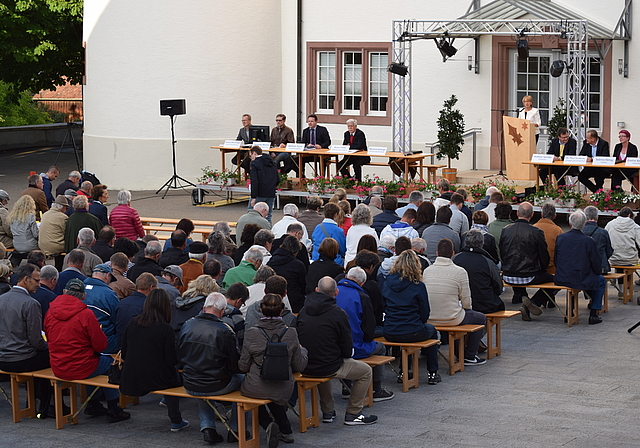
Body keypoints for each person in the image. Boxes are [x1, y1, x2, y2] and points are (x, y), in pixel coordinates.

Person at [44, 278, 130, 423]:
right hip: (81, 366)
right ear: (84, 296)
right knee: (111, 364)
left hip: (58, 365)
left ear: (65, 291)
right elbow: (101, 345)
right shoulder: (86, 314)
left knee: (92, 361)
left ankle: (94, 403)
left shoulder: (50, 312)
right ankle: (113, 408)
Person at [297, 276, 377, 425]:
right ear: (336, 292)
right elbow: (347, 346)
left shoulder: (303, 311)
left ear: (316, 290)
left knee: (322, 362)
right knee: (365, 371)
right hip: (329, 364)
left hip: (306, 364)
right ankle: (354, 412)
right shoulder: (338, 314)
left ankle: (328, 411)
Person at [239, 293, 307, 445]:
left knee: (258, 391)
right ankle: (286, 430)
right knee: (274, 392)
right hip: (283, 386)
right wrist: (303, 351)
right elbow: (299, 366)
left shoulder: (251, 333)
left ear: (261, 311)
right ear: (282, 311)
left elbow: (243, 366)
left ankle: (267, 424)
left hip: (255, 386)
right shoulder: (291, 333)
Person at [178, 292, 243, 444]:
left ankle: (208, 428)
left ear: (204, 307)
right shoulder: (225, 330)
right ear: (222, 311)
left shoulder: (188, 324)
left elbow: (180, 355)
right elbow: (235, 366)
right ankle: (236, 429)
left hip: (190, 381)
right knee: (245, 381)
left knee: (202, 378)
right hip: (216, 383)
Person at [120, 288, 187, 431]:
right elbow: (171, 360)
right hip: (157, 378)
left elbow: (124, 352)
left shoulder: (133, 323)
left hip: (132, 376)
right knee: (173, 375)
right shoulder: (166, 329)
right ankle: (175, 419)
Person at [381, 250, 440, 385]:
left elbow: (383, 306)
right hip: (413, 329)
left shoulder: (386, 283)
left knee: (407, 337)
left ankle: (404, 371)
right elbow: (425, 312)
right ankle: (432, 372)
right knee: (431, 331)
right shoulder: (418, 286)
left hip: (390, 330)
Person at [0, 264, 52, 418]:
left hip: (2, 357)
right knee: (51, 355)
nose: (39, 284)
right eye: (36, 280)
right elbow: (36, 341)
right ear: (25, 279)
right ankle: (45, 406)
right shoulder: (30, 303)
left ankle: (38, 402)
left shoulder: (1, 299)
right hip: (21, 358)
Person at [424, 238, 487, 365]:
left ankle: (460, 352)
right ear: (453, 253)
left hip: (429, 318)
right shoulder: (459, 272)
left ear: (437, 253)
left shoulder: (427, 271)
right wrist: (465, 308)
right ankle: (469, 355)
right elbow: (466, 301)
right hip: (452, 317)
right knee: (480, 318)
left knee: (461, 317)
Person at [336, 267, 394, 402]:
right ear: (362, 283)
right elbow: (369, 328)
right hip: (355, 346)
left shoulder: (335, 292)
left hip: (334, 345)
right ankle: (376, 389)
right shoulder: (361, 297)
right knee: (380, 347)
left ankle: (346, 386)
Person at [499, 202, 555, 320]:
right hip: (530, 274)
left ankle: (522, 294)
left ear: (517, 213)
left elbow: (502, 252)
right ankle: (533, 302)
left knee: (518, 270)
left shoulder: (505, 230)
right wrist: (543, 269)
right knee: (557, 280)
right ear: (532, 214)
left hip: (508, 274)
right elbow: (543, 255)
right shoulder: (536, 232)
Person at [555, 210, 606, 325]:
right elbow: (596, 263)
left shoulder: (560, 238)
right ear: (584, 224)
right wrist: (597, 272)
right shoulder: (589, 241)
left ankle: (570, 311)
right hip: (582, 277)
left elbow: (556, 260)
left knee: (574, 282)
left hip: (563, 276)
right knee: (601, 280)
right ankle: (593, 313)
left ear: (570, 223)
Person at [454, 229, 504, 314]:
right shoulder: (488, 262)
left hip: (459, 303)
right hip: (484, 304)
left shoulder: (455, 259)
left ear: (465, 241)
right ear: (482, 243)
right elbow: (498, 286)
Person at [84, 263, 120, 353]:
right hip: (105, 342)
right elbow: (117, 319)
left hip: (81, 339)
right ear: (108, 276)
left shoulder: (79, 289)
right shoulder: (109, 294)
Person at [114, 273, 157, 346]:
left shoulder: (121, 303)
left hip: (119, 344)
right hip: (139, 347)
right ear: (151, 287)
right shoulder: (148, 306)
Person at [267, 235, 307, 313]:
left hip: (273, 303)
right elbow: (303, 285)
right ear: (295, 251)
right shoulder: (298, 265)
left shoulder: (271, 262)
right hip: (295, 303)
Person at [249, 146, 279, 224]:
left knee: (251, 215)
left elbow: (254, 181)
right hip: (271, 192)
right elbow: (278, 179)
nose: (250, 157)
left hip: (259, 193)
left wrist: (253, 197)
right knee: (267, 216)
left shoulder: (254, 164)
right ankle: (269, 233)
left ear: (254, 153)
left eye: (250, 155)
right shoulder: (272, 162)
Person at [534, 203, 563, 276]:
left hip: (535, 267)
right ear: (554, 216)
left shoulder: (533, 228)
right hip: (552, 269)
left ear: (542, 214)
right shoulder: (558, 230)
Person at [583, 206, 613, 275]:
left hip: (583, 266)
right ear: (597, 217)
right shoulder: (603, 232)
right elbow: (609, 251)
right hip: (601, 266)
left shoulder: (580, 231)